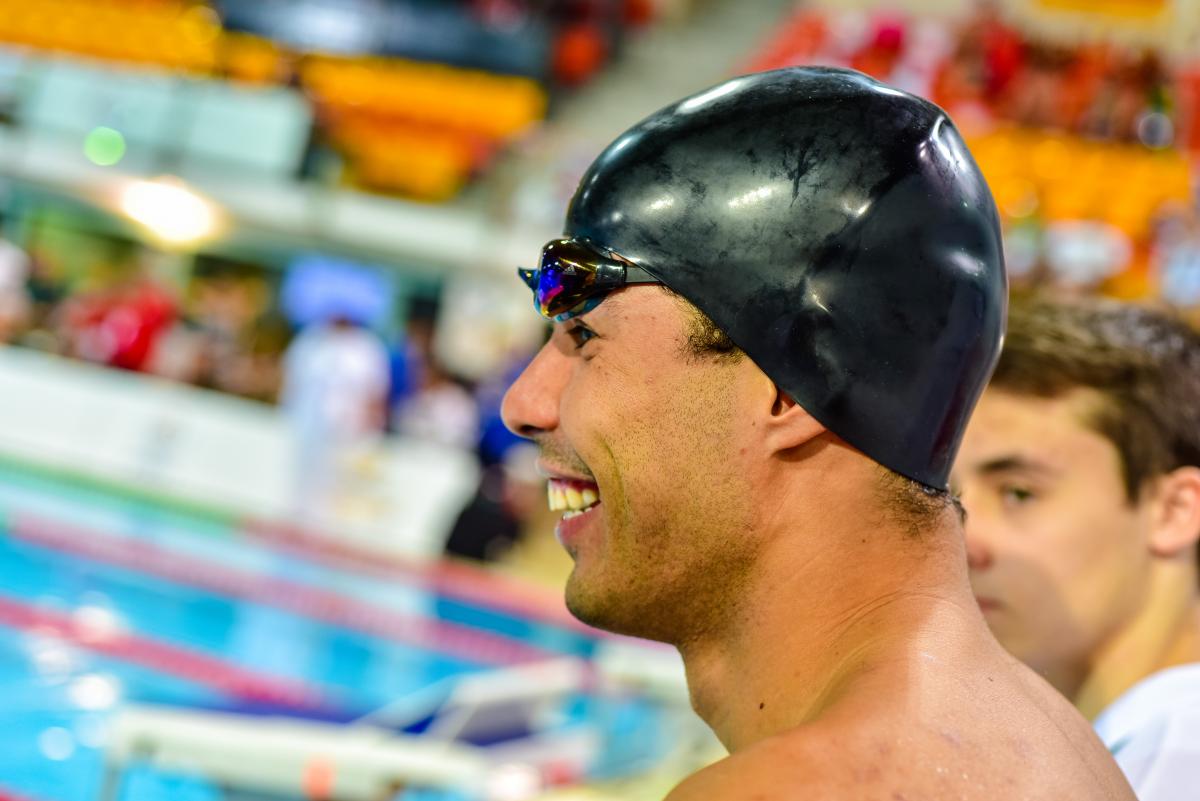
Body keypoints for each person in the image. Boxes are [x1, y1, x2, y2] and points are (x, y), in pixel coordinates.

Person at [499, 67, 1134, 799]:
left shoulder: (792, 787)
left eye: (584, 336)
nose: (525, 402)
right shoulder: (1070, 755)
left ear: (785, 390)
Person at [953, 295, 1200, 800]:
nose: (961, 540)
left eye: (1019, 493)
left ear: (1174, 511)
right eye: (948, 494)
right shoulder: (1122, 747)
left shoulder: (1175, 747)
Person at [280, 314, 390, 526]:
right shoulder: (311, 340)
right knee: (303, 476)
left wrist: (371, 424)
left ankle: (327, 528)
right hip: (308, 421)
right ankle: (297, 520)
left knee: (337, 485)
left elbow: (376, 390)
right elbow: (291, 377)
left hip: (347, 428)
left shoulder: (366, 348)